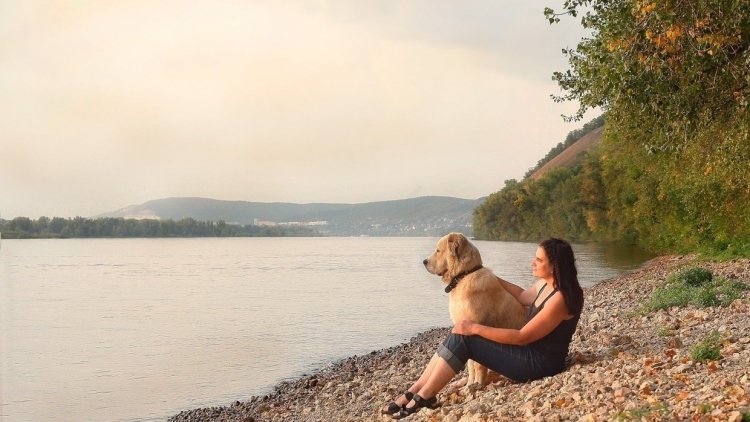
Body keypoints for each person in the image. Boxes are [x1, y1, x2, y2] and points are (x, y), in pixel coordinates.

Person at [381, 238, 584, 419]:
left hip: (538, 363)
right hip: (529, 354)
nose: (533, 262)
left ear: (555, 266)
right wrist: (482, 273)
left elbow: (522, 336)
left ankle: (425, 396)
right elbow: (522, 296)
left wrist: (475, 328)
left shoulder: (561, 298)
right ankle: (416, 389)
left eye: (539, 260)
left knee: (465, 336)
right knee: (459, 332)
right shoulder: (546, 284)